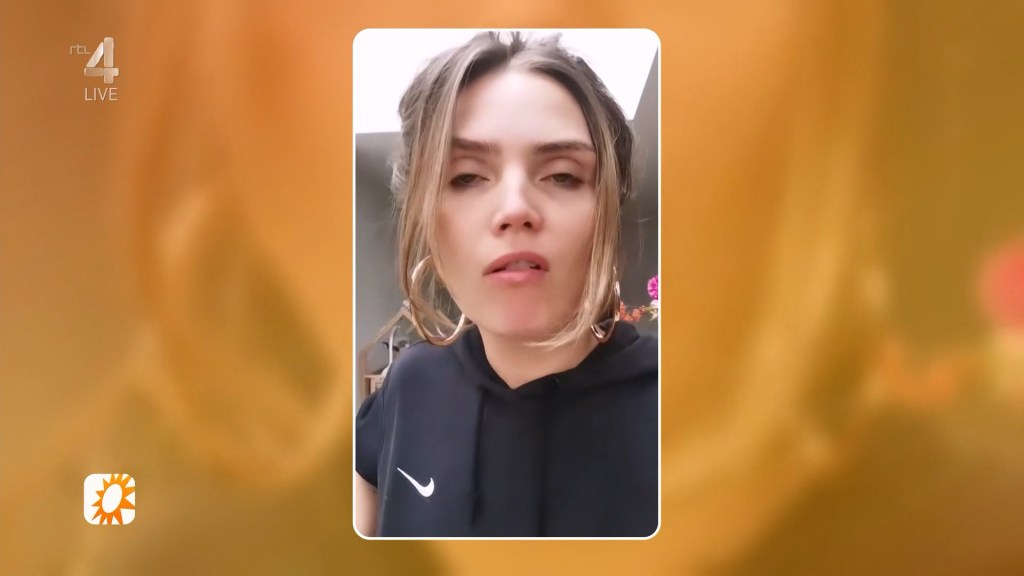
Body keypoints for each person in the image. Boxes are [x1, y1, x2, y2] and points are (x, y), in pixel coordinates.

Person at [354, 31, 658, 538]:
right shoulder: (408, 385)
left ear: (607, 211)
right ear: (427, 220)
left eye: (562, 175)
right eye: (466, 177)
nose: (515, 208)